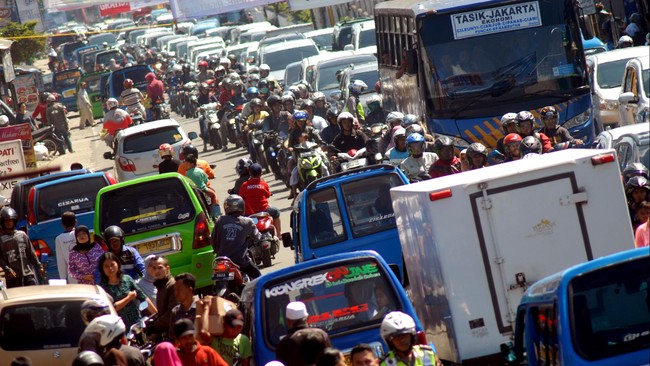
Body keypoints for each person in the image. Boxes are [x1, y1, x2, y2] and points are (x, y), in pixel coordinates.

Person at [98, 252, 157, 330]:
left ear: (117, 264)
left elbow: (143, 297)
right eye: (106, 266)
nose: (110, 268)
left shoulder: (127, 279)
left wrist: (156, 314)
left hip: (137, 324)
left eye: (112, 264)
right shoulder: (102, 288)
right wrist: (129, 298)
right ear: (102, 269)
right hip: (119, 328)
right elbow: (112, 308)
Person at [211, 194, 262, 279]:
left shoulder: (220, 220)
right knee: (258, 276)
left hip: (222, 260)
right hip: (240, 261)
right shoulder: (247, 222)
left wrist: (217, 250)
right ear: (242, 206)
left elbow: (213, 240)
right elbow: (257, 237)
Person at [276, 301, 332, 366]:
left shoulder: (283, 344)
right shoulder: (321, 334)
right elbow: (331, 360)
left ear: (288, 321)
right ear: (307, 318)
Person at [0, 207, 43, 288]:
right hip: (12, 277)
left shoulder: (22, 235)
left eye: (10, 221)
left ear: (14, 221)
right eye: (6, 221)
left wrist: (39, 266)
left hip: (27, 274)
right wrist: (8, 270)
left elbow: (31, 253)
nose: (8, 223)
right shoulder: (1, 240)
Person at [239, 163, 282, 236]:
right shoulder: (263, 184)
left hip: (249, 212)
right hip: (263, 210)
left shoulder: (244, 185)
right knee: (276, 212)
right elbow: (267, 195)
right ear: (261, 173)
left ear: (250, 173)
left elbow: (241, 197)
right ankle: (279, 234)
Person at [150, 255, 177, 337]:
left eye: (160, 268)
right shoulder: (161, 285)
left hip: (175, 331)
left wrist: (155, 326)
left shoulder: (172, 285)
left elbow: (172, 313)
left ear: (167, 268)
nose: (157, 271)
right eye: (154, 268)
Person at [55, 211, 76, 283]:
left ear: (62, 224)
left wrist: (63, 279)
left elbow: (60, 260)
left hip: (72, 275)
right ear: (76, 222)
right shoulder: (81, 234)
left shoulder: (59, 239)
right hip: (86, 271)